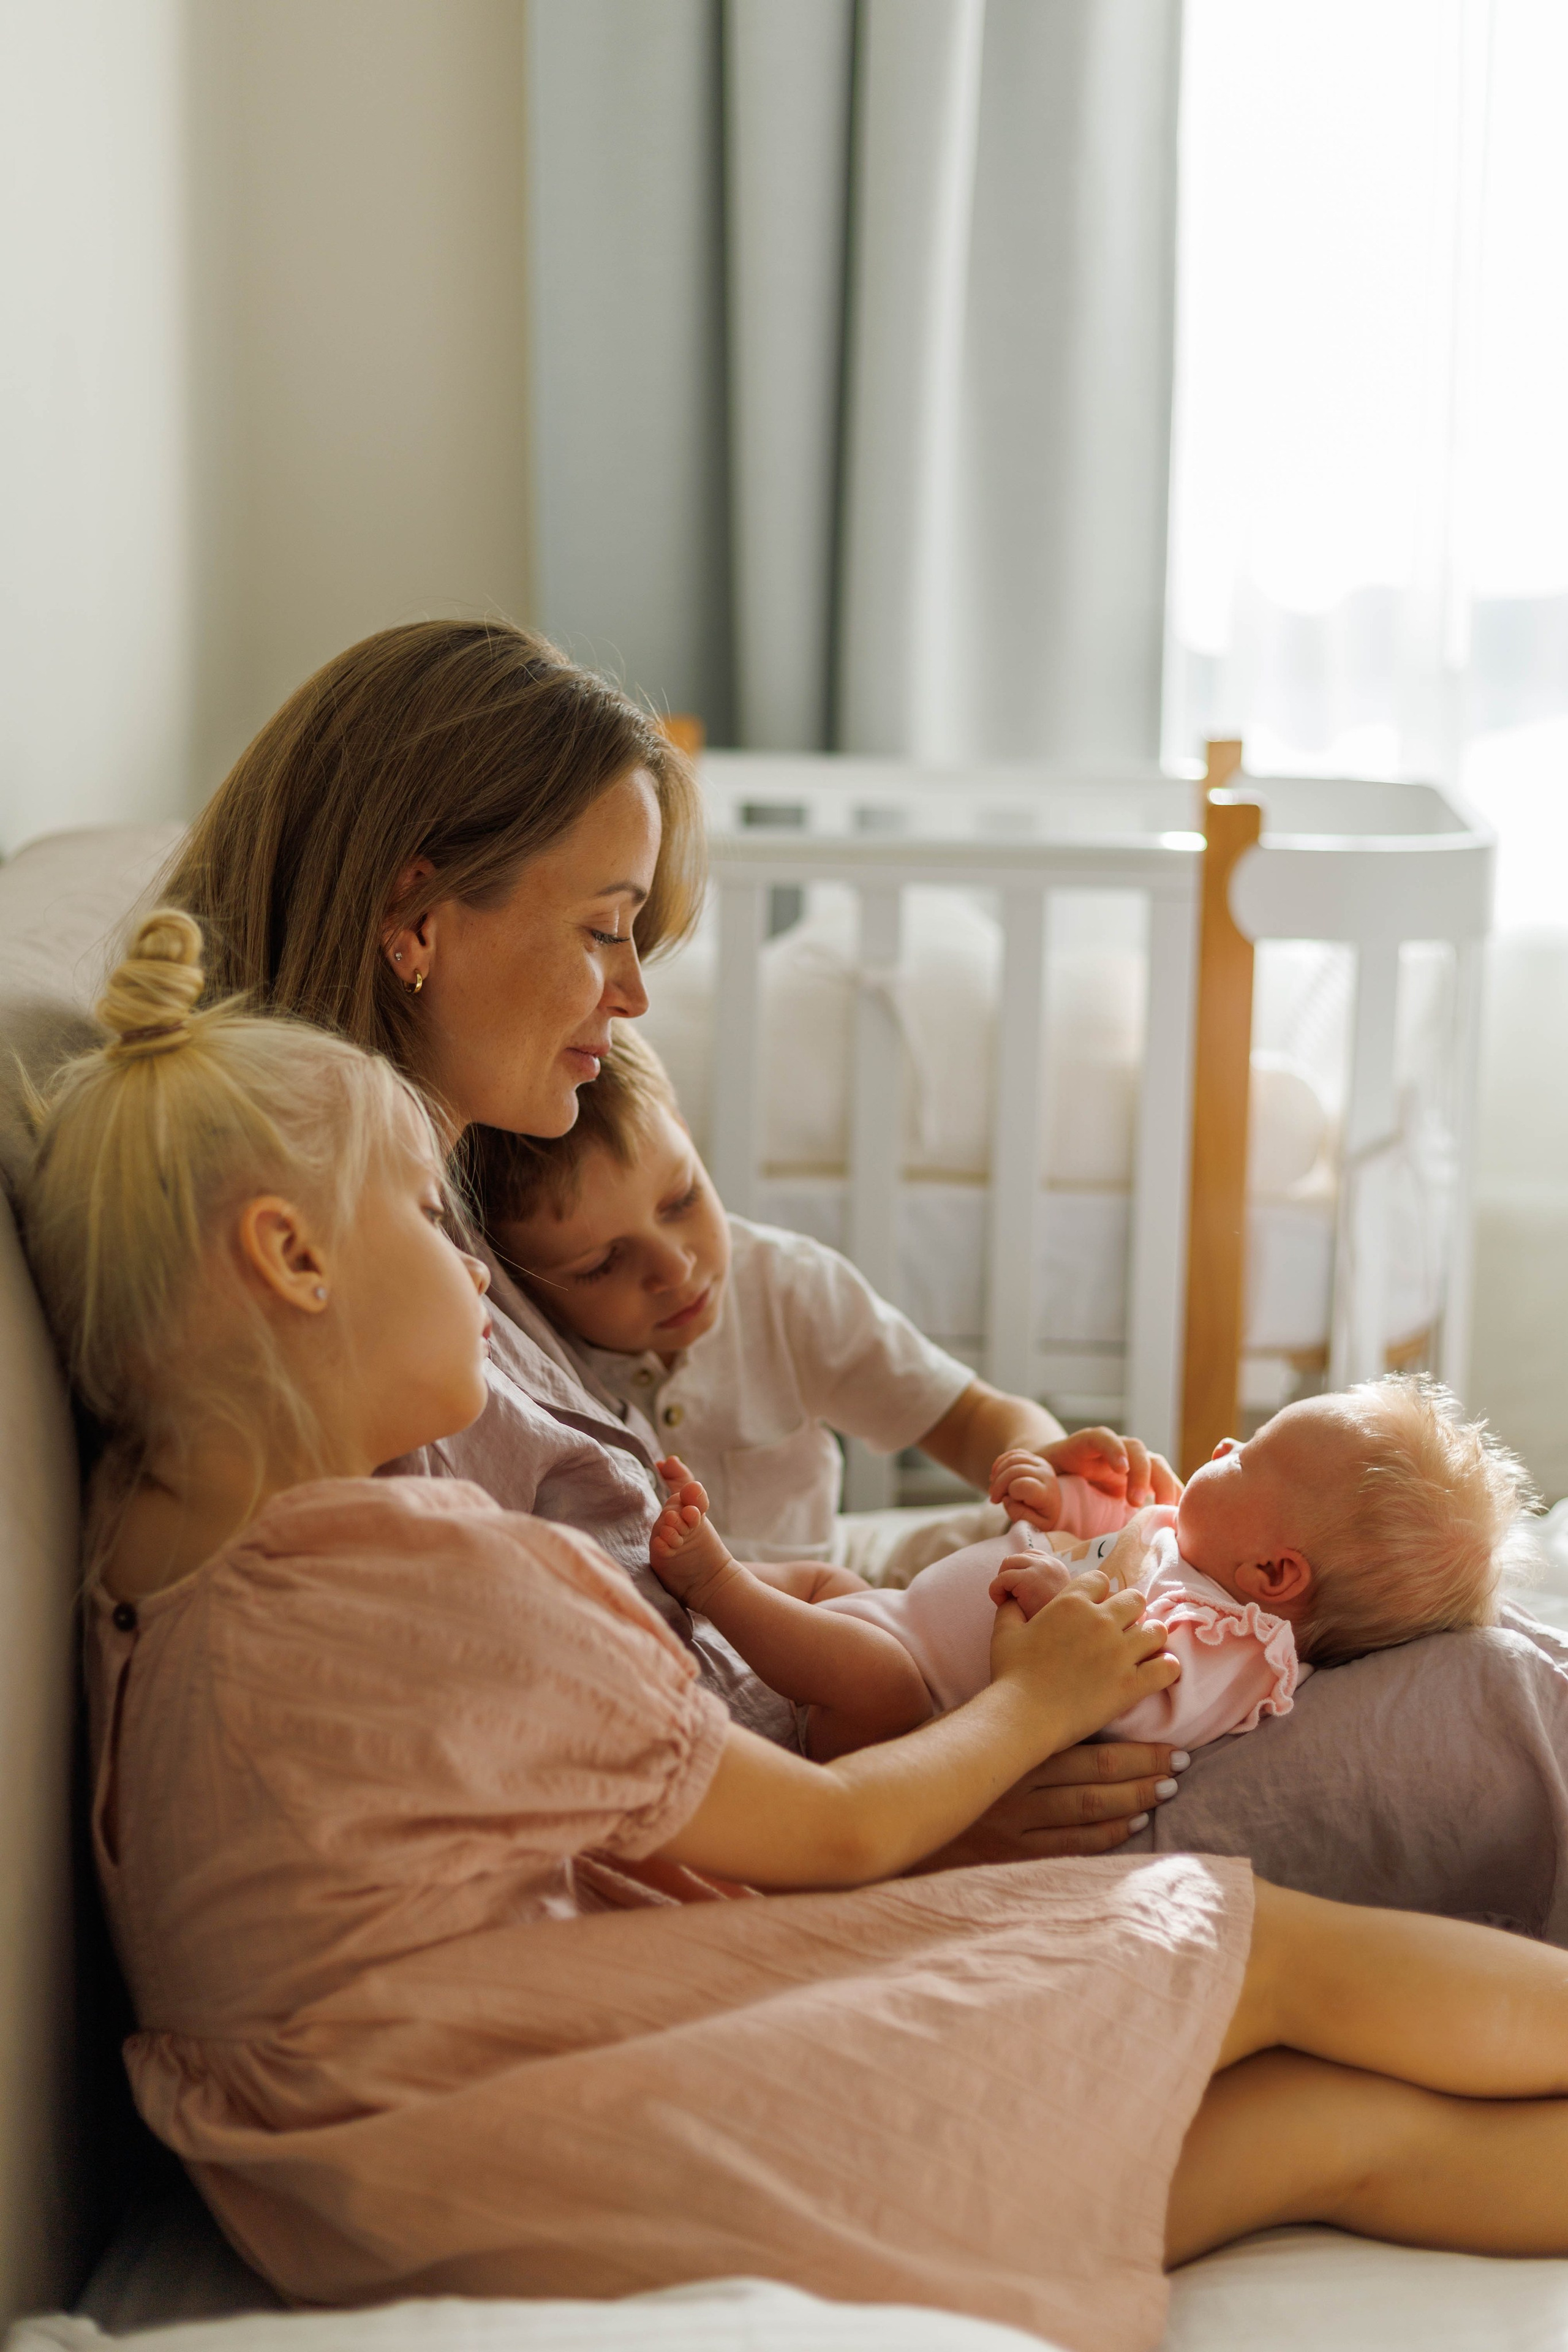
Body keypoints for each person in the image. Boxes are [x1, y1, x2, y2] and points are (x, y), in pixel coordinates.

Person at [30, 912, 1568, 2352]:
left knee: (1311, 2122)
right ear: (294, 1259)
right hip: (565, 2127)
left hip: (367, 2162)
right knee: (1244, 1952)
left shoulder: (150, 1553)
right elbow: (832, 1832)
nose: (478, 1290)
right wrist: (1040, 1696)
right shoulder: (427, 1579)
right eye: (441, 1235)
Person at [162, 617, 1184, 1855]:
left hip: (844, 1720)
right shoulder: (369, 1306)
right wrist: (953, 1786)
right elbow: (557, 1745)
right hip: (823, 1777)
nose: (633, 995)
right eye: (603, 929)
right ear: (413, 913)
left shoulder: (449, 1218)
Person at [469, 1022, 1159, 1563]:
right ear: (518, 1281)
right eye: (603, 1264)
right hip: (701, 1631)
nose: (674, 1269)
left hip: (831, 1584)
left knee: (1084, 1543)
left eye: (681, 1200)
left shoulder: (786, 1285)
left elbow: (972, 1418)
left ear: (684, 1131)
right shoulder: (520, 1350)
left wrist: (1036, 1464)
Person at [646, 1378, 1530, 1760]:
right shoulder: (1185, 1546)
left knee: (860, 1669)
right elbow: (1111, 1528)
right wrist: (1057, 1500)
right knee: (820, 1587)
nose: (1221, 1444)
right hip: (894, 1609)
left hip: (916, 1706)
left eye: (1250, 1456)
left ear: (1275, 1573)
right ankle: (676, 1584)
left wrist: (1063, 1600)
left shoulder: (1231, 1646)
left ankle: (713, 1582)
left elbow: (1139, 1700)